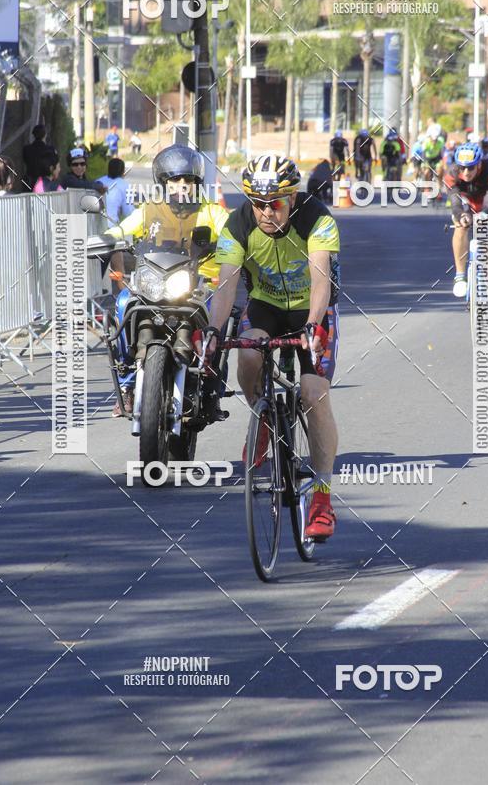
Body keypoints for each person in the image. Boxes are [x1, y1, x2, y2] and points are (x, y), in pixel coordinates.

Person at [197, 152, 341, 541]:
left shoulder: (317, 219)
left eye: (274, 204)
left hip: (312, 309)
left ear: (291, 198)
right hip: (266, 305)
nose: (265, 212)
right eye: (257, 203)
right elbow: (226, 285)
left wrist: (313, 325)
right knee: (247, 354)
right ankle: (263, 418)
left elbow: (320, 280)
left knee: (313, 393)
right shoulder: (238, 224)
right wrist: (213, 331)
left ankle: (322, 498)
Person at [105, 144, 229, 418]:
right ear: (163, 182)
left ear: (197, 183)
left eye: (188, 179)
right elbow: (121, 231)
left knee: (218, 314)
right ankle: (127, 384)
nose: (181, 185)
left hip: (200, 285)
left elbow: (232, 233)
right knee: (124, 302)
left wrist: (237, 243)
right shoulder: (149, 210)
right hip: (153, 283)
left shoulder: (211, 211)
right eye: (174, 179)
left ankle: (212, 387)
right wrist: (101, 240)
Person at [443, 142, 488, 297]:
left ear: (479, 164)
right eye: (462, 167)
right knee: (460, 226)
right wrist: (462, 216)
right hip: (465, 202)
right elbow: (455, 204)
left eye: (471, 167)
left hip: (486, 202)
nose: (466, 172)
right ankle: (460, 276)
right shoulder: (451, 173)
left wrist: (483, 215)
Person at [97, 157, 135, 223]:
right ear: (123, 171)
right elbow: (129, 212)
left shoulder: (98, 181)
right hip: (111, 225)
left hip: (93, 225)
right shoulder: (125, 185)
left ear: (108, 169)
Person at [22, 124, 55, 192]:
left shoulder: (26, 149)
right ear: (45, 135)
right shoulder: (50, 150)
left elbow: (25, 161)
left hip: (29, 183)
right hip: (44, 185)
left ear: (33, 135)